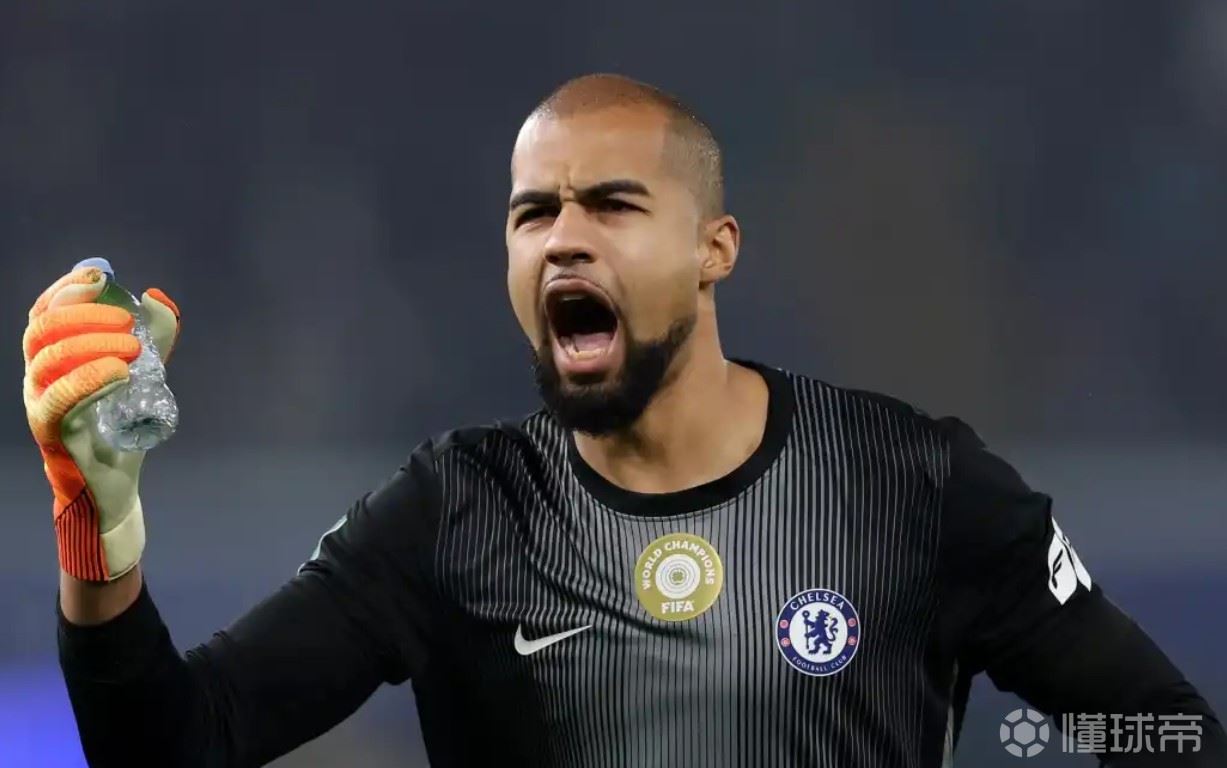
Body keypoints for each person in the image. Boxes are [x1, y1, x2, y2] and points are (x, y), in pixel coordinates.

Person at [23, 73, 1225, 767]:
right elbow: (171, 747)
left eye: (610, 203)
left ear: (715, 249)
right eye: (532, 213)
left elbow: (1171, 737)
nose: (562, 239)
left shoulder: (914, 484)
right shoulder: (457, 512)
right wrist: (96, 527)